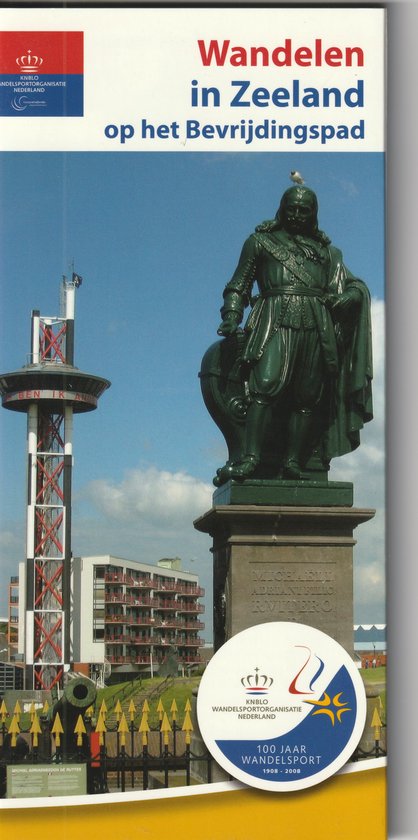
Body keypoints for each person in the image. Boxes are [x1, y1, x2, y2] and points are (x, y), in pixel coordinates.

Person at [215, 184, 373, 484]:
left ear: (313, 214)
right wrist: (231, 315)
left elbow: (353, 284)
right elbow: (239, 284)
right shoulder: (260, 242)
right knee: (265, 385)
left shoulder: (328, 253)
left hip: (317, 325)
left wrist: (351, 296)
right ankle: (251, 459)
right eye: (292, 208)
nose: (298, 214)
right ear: (282, 208)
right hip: (274, 318)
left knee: (307, 396)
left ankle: (293, 462)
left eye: (305, 210)